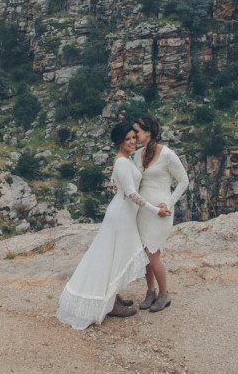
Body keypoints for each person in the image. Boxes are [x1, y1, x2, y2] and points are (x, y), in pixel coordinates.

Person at [56, 123, 165, 330]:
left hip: (124, 213)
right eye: (128, 139)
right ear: (119, 142)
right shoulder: (123, 162)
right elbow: (132, 194)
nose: (133, 142)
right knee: (115, 257)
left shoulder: (126, 160)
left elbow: (122, 184)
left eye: (134, 137)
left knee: (113, 256)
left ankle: (111, 296)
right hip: (121, 216)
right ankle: (110, 301)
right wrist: (155, 210)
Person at [132, 116, 189, 312]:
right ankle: (150, 291)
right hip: (142, 210)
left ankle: (164, 294)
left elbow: (183, 181)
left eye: (137, 131)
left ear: (148, 132)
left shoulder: (167, 154)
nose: (134, 135)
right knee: (144, 253)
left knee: (153, 253)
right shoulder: (137, 154)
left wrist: (170, 204)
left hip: (160, 211)